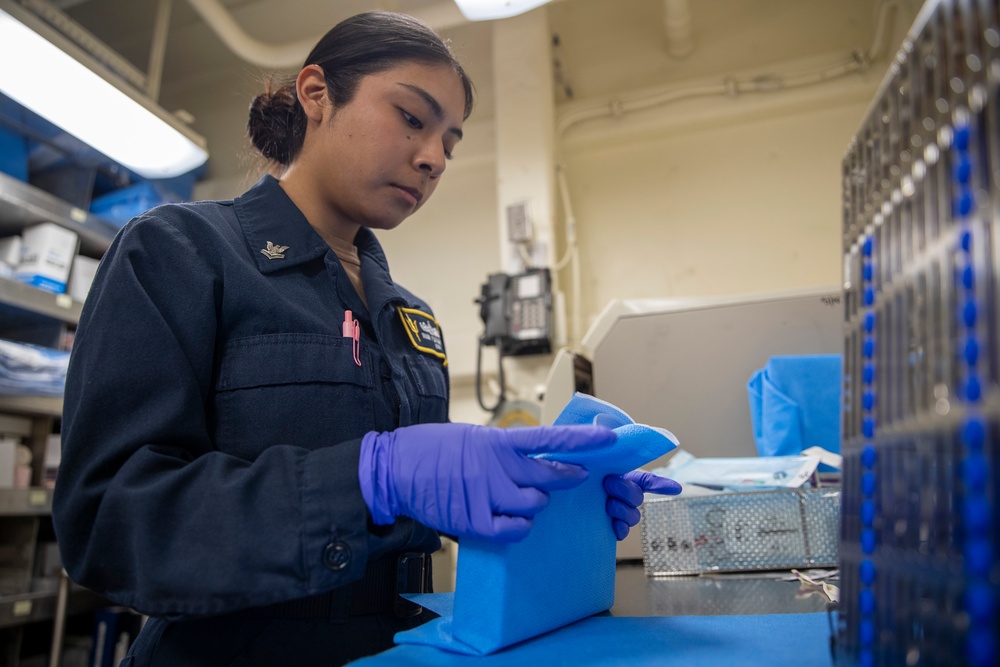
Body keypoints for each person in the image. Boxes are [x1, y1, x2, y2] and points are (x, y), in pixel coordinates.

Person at [52, 11, 679, 666]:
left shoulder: (414, 319)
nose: (433, 157)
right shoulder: (178, 253)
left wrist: (542, 500)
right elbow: (108, 523)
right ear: (317, 93)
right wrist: (369, 476)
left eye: (450, 142)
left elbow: (409, 517)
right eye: (412, 117)